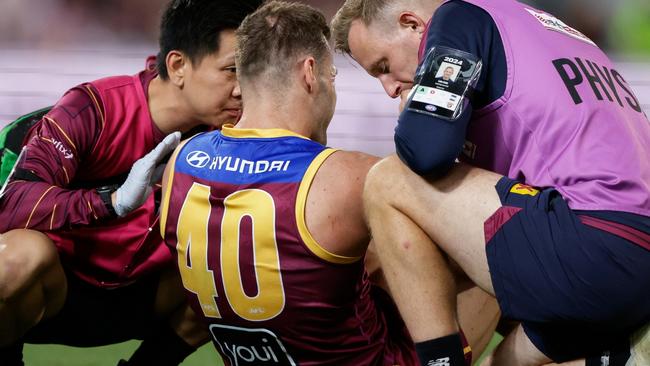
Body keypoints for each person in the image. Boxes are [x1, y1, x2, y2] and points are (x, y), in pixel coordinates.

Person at [160, 1, 499, 365]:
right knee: (497, 245)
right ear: (310, 73)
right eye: (332, 77)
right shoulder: (349, 177)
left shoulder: (183, 159)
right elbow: (457, 260)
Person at [332, 0, 650, 365]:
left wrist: (411, 113)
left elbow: (426, 149)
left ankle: (439, 362)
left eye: (384, 67)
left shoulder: (457, 17)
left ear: (413, 25)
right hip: (627, 261)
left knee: (387, 182)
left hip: (593, 243)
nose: (388, 88)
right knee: (503, 360)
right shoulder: (534, 24)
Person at [0, 0, 263, 365]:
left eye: (251, 73)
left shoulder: (237, 133)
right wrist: (114, 201)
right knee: (16, 258)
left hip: (139, 298)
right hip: (55, 293)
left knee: (239, 266)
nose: (242, 89)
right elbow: (11, 203)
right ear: (178, 65)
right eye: (232, 70)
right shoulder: (92, 108)